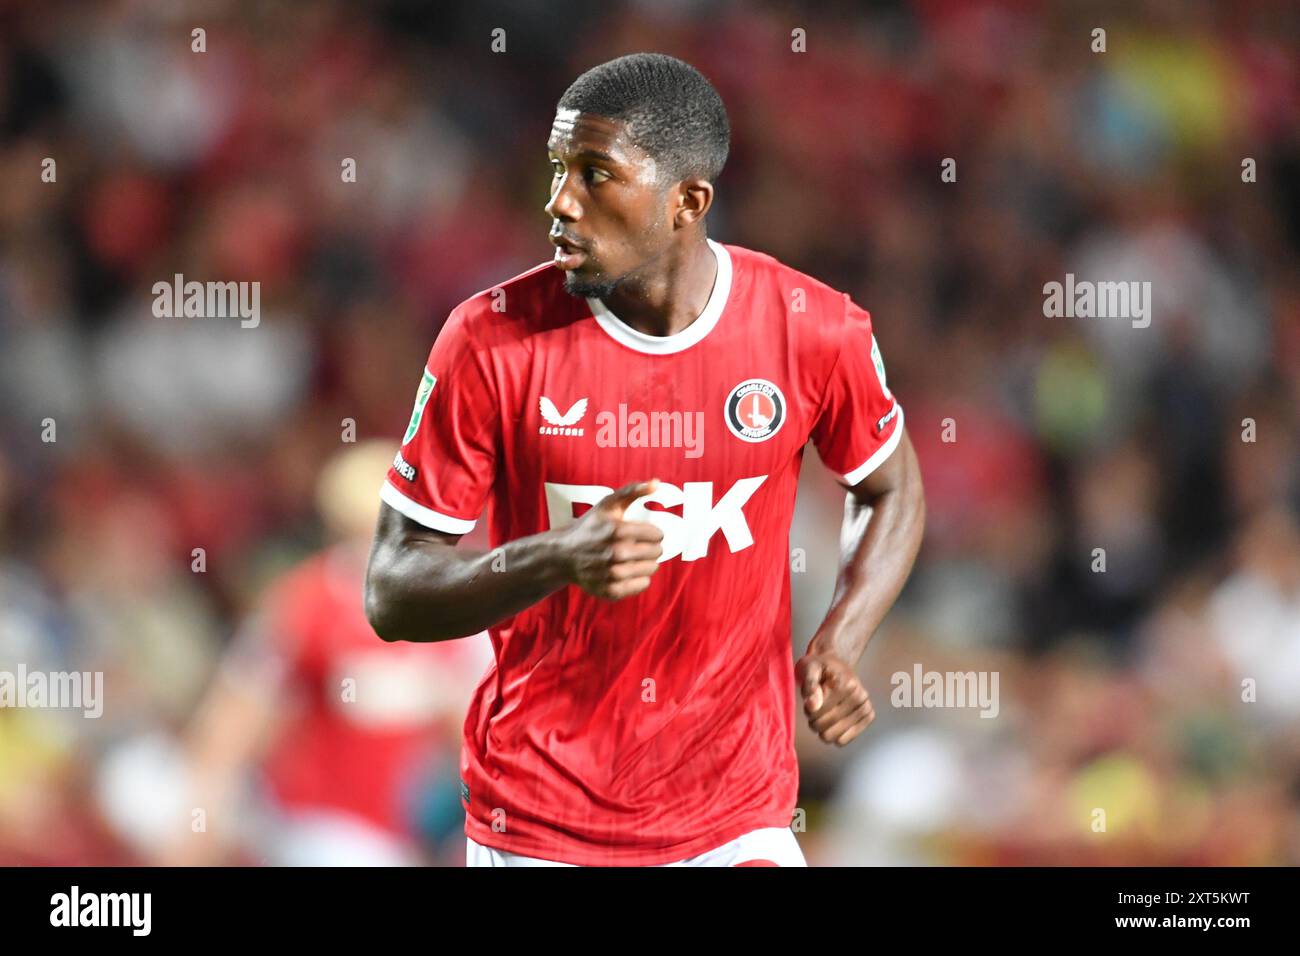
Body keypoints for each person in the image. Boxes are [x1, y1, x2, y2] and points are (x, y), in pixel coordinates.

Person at [365, 52, 925, 867]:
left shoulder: (810, 328)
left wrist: (842, 636)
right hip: (542, 822)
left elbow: (891, 483)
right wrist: (559, 556)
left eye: (596, 175)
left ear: (686, 202)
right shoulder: (490, 340)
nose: (559, 202)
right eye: (558, 169)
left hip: (737, 817)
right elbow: (392, 589)